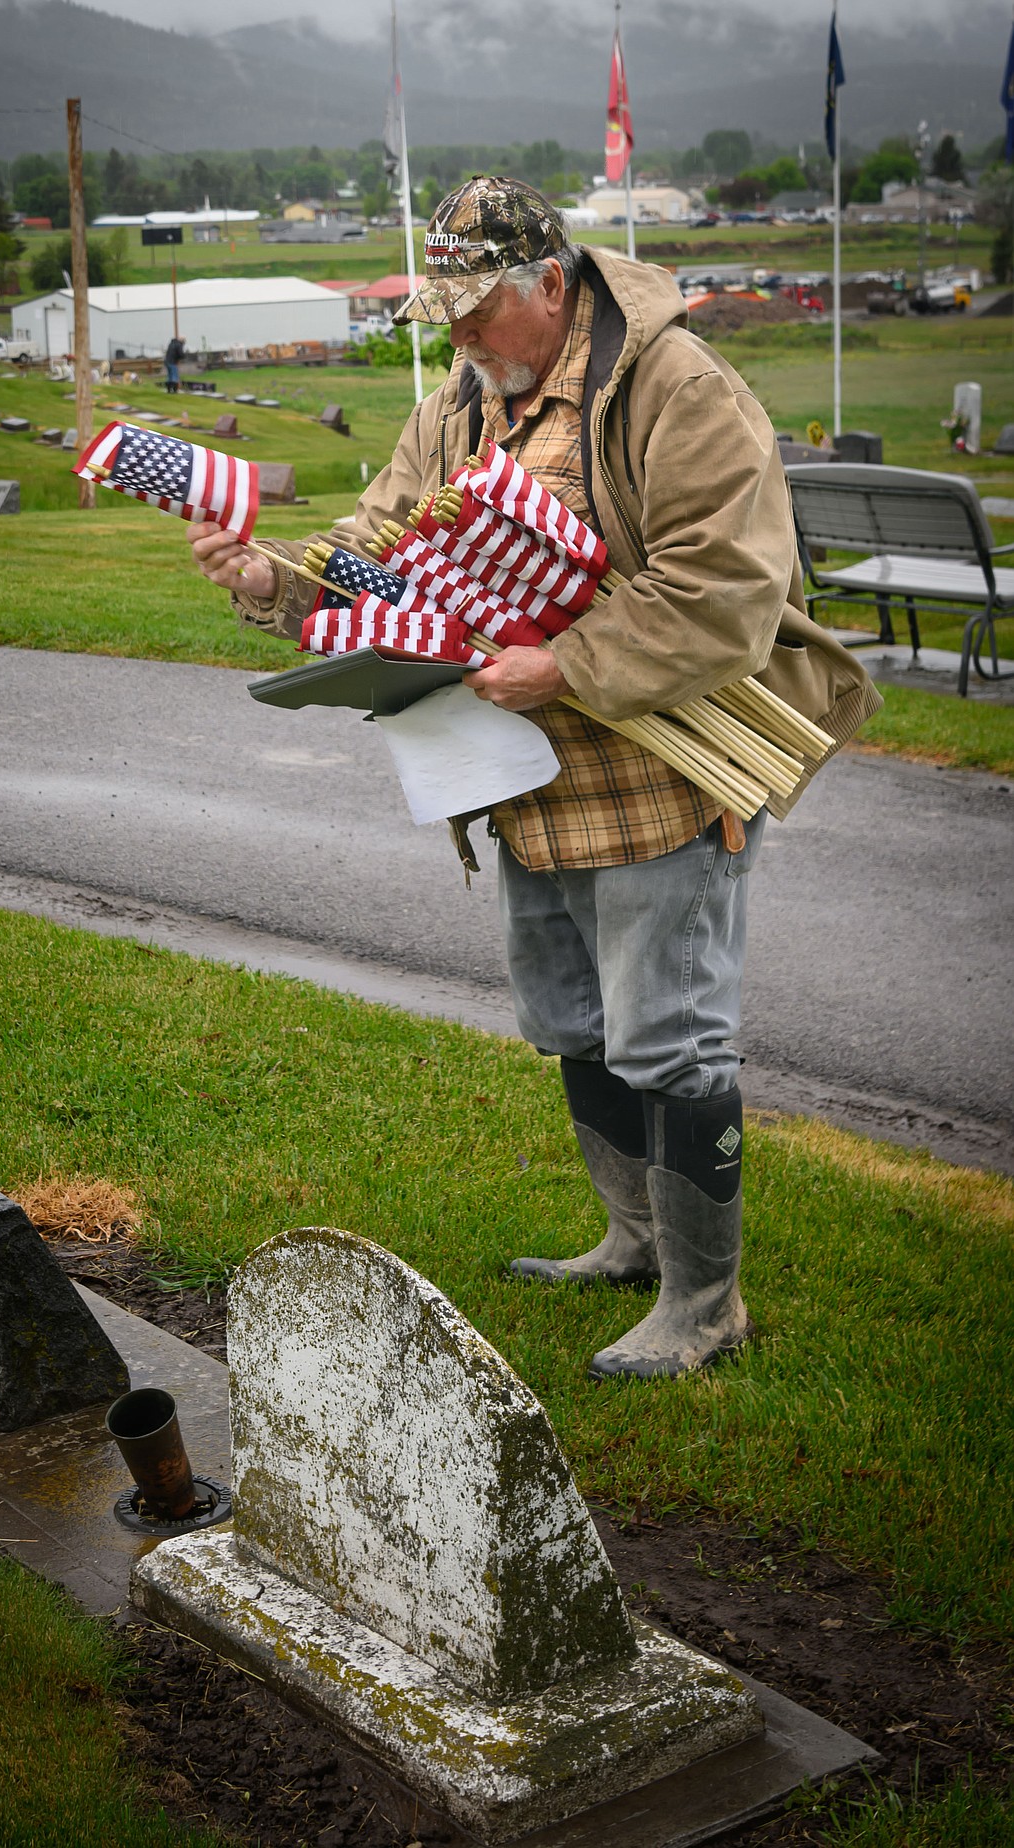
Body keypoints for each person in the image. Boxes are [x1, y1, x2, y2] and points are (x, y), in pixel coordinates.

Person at [187, 176, 880, 1382]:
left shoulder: (677, 386)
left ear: (550, 283)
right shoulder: (460, 397)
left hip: (671, 770)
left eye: (476, 308)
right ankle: (629, 1242)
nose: (456, 336)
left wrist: (565, 663)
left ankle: (705, 1305)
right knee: (571, 1020)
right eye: (443, 313)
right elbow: (375, 550)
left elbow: (728, 593)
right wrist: (273, 583)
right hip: (524, 779)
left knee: (671, 1038)